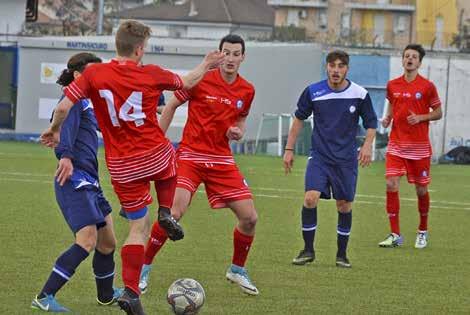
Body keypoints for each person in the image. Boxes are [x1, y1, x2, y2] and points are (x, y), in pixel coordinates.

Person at [40, 20, 224, 315]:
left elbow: (63, 107)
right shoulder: (150, 74)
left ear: (117, 45)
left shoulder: (95, 74)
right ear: (139, 50)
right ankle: (166, 211)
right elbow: (188, 82)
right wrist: (206, 63)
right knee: (173, 161)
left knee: (137, 228)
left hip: (121, 166)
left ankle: (131, 292)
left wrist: (55, 130)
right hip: (152, 153)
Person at [138, 34, 259, 296]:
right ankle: (143, 267)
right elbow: (170, 106)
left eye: (235, 53)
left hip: (222, 159)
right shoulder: (201, 79)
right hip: (191, 155)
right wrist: (157, 142)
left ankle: (237, 270)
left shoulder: (247, 90)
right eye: (226, 52)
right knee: (173, 213)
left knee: (250, 218)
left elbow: (240, 122)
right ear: (219, 54)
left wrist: (238, 131)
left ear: (243, 57)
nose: (230, 58)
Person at [32, 52, 122, 312]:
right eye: (94, 73)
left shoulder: (87, 101)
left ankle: (105, 296)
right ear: (78, 75)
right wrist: (66, 157)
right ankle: (44, 297)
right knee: (87, 240)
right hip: (73, 179)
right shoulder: (71, 100)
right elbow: (62, 132)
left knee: (108, 242)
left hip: (90, 181)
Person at [284, 50, 377, 268]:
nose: (336, 70)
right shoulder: (313, 91)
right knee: (310, 198)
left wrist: (367, 146)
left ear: (347, 69)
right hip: (320, 157)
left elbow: (371, 123)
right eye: (332, 65)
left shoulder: (360, 94)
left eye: (341, 66)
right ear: (326, 67)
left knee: (343, 206)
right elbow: (298, 119)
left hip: (346, 160)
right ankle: (308, 250)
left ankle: (341, 254)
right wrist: (289, 149)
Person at [378, 44, 442, 249]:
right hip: (396, 143)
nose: (410, 59)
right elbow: (391, 102)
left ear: (419, 62)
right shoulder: (393, 85)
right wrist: (388, 117)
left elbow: (438, 112)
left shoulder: (427, 86)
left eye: (414, 57)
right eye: (406, 56)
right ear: (402, 60)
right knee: (390, 184)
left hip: (419, 147)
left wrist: (422, 117)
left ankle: (422, 231)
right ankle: (395, 234)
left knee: (421, 190)